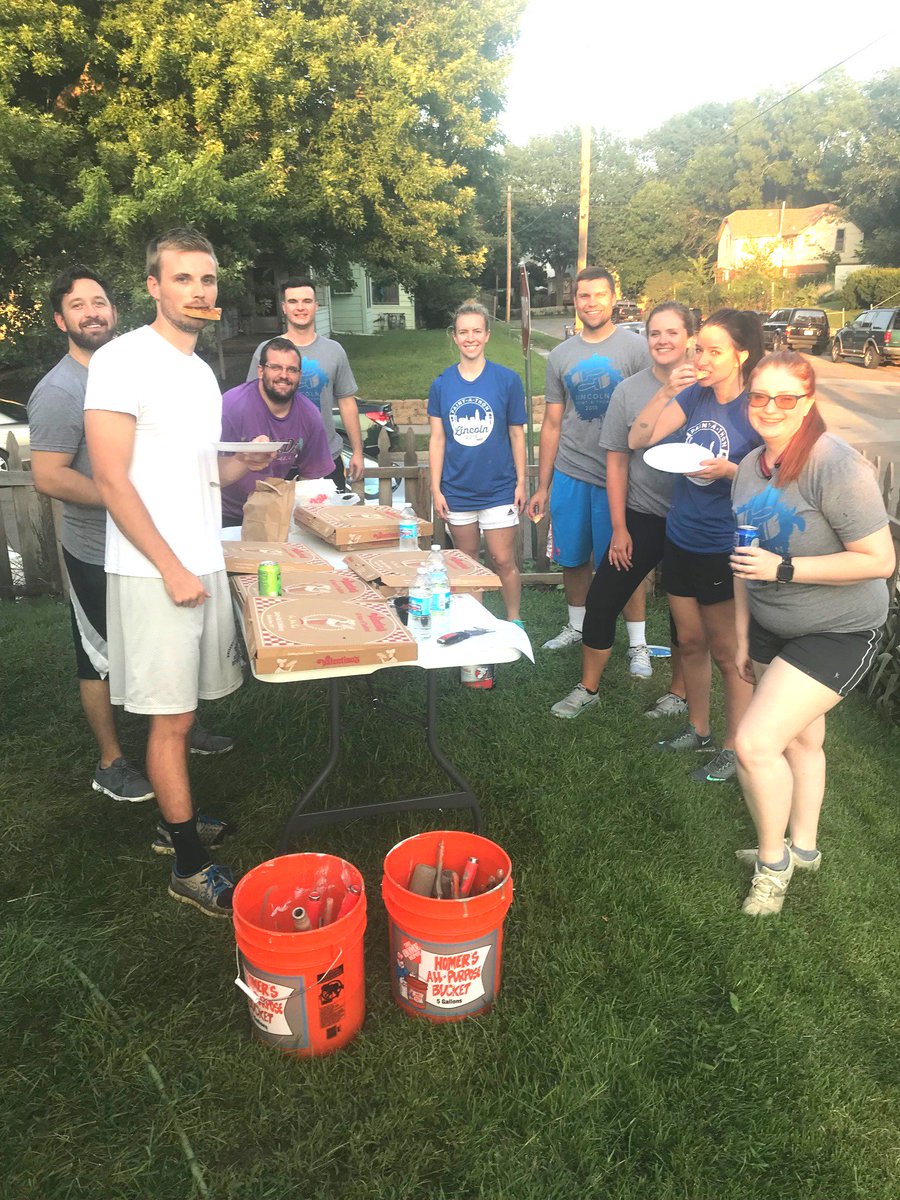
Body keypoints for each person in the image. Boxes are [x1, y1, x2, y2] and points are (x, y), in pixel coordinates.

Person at [84, 228, 276, 917]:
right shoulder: (122, 360)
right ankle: (189, 865)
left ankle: (177, 821)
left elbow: (197, 472)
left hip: (199, 560)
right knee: (170, 719)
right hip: (154, 570)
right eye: (183, 278)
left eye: (207, 279)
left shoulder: (200, 373)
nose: (198, 291)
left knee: (187, 710)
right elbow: (111, 479)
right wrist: (169, 568)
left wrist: (240, 464)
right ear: (154, 287)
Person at [28, 268, 233, 805]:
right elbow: (49, 476)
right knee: (99, 656)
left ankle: (178, 730)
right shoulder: (61, 389)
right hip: (99, 548)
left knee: (163, 667)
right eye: (78, 305)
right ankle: (112, 760)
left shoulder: (162, 367)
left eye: (99, 302)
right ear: (60, 320)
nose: (92, 312)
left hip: (161, 543)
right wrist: (128, 499)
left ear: (114, 310)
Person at [730, 351, 894, 915]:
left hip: (839, 628)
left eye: (786, 398)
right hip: (773, 623)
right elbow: (743, 562)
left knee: (754, 744)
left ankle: (772, 866)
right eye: (759, 396)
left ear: (808, 403)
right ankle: (804, 848)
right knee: (802, 740)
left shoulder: (834, 464)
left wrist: (784, 569)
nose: (770, 407)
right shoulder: (749, 468)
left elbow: (879, 560)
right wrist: (743, 637)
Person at [629, 309, 764, 784]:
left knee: (728, 653)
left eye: (713, 351)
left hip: (724, 545)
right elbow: (639, 438)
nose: (701, 359)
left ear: (740, 355)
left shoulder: (756, 407)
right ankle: (698, 728)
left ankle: (733, 747)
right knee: (689, 641)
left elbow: (779, 478)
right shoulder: (694, 395)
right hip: (681, 535)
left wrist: (731, 471)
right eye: (699, 349)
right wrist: (666, 390)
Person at [551, 302, 696, 717]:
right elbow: (616, 460)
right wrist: (619, 527)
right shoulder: (629, 391)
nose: (663, 341)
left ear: (689, 337)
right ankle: (588, 688)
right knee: (602, 599)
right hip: (642, 512)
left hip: (691, 520)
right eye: (655, 333)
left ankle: (679, 693)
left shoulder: (707, 387)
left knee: (683, 610)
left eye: (672, 332)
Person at [527, 267, 650, 656]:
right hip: (572, 471)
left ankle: (638, 643)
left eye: (599, 294)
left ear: (613, 298)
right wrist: (543, 485)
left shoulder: (637, 350)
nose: (591, 302)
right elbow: (552, 423)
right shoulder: (561, 356)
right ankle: (577, 626)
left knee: (626, 562)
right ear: (575, 301)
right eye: (584, 295)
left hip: (623, 477)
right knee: (573, 557)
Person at [428, 302, 527, 622]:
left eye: (476, 331)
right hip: (457, 489)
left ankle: (514, 620)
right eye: (463, 332)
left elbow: (516, 434)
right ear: (454, 337)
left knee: (502, 559)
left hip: (499, 488)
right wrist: (436, 489)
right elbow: (437, 439)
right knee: (467, 561)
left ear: (487, 335)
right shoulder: (441, 384)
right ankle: (475, 624)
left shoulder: (507, 380)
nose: (469, 338)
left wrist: (521, 482)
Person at [246, 278, 363, 488]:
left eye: (307, 301)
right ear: (284, 307)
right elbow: (251, 403)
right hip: (275, 460)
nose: (300, 307)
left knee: (329, 510)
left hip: (324, 456)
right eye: (293, 301)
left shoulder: (334, 350)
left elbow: (346, 402)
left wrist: (357, 451)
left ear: (316, 306)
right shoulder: (266, 351)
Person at [221, 337, 334, 527]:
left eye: (292, 370)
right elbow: (207, 470)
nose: (284, 375)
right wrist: (244, 459)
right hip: (226, 513)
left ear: (299, 375)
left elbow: (310, 477)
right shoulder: (231, 406)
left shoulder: (309, 415)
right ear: (260, 371)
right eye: (275, 367)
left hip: (272, 515)